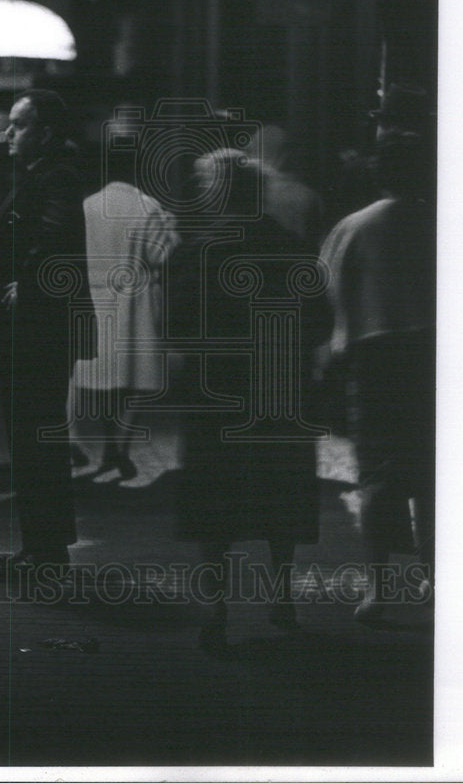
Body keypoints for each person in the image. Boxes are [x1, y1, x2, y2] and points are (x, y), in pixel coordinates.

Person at [167, 150, 331, 652]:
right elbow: (320, 320)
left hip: (215, 394)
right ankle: (281, 597)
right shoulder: (292, 247)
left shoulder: (196, 254)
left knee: (214, 502)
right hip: (279, 390)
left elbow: (174, 327)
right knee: (280, 494)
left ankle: (215, 611)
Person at [319, 84, 436, 623]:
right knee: (435, 473)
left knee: (378, 477)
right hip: (434, 357)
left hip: (374, 361)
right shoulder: (444, 224)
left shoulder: (354, 227)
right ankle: (436, 576)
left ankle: (379, 587)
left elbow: (330, 292)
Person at [0, 90, 94, 575]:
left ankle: (44, 552)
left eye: (17, 126)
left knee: (34, 443)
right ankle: (42, 547)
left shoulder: (55, 176)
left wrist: (32, 282)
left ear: (43, 132)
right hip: (28, 332)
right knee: (34, 442)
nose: (7, 135)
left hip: (33, 334)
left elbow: (56, 236)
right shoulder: (43, 173)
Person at [72, 127, 179, 479]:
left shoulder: (88, 206)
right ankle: (121, 445)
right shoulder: (147, 207)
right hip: (136, 304)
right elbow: (162, 254)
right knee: (133, 382)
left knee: (104, 380)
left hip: (96, 299)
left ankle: (107, 446)